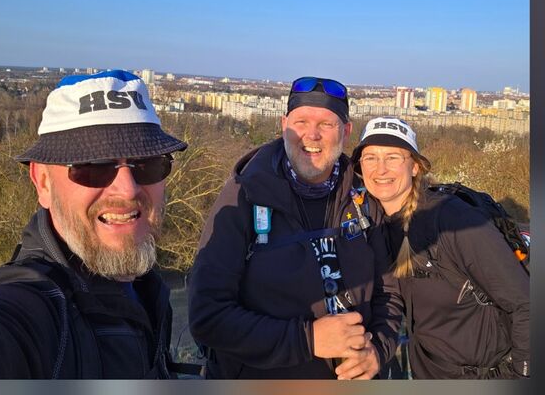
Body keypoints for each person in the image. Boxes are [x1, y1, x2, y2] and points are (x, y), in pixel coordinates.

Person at [187, 76, 403, 380]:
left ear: (346, 131)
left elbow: (388, 292)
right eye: (301, 122)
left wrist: (377, 352)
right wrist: (308, 340)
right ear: (284, 124)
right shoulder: (244, 195)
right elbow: (208, 315)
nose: (312, 135)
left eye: (326, 124)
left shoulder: (362, 196)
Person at [0, 69, 187, 379]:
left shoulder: (147, 289)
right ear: (43, 182)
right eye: (94, 167)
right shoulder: (25, 309)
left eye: (148, 164)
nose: (127, 190)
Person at [352, 116, 530, 379]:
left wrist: (522, 375)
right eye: (370, 158)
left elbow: (525, 302)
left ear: (415, 167)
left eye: (393, 157)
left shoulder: (453, 220)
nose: (381, 169)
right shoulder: (374, 225)